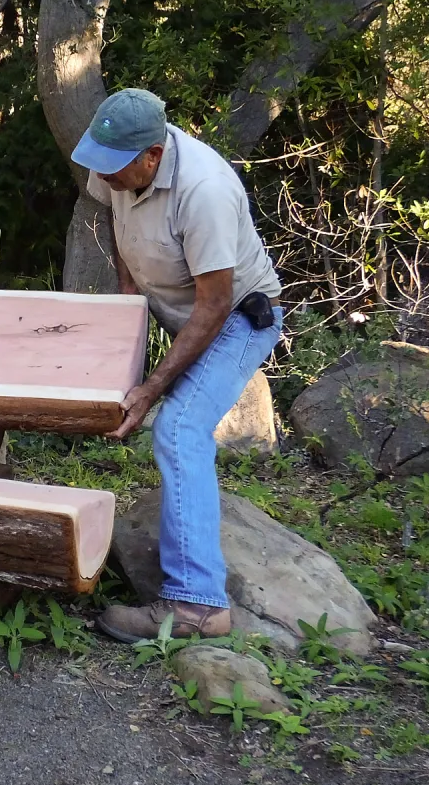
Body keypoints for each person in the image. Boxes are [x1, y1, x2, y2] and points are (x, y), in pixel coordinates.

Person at [71, 89, 284, 643]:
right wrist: (126, 297)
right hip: (176, 307)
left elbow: (214, 306)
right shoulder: (115, 162)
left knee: (180, 427)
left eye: (115, 170)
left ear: (153, 157)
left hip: (238, 316)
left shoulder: (204, 191)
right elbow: (116, 223)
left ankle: (198, 605)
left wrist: (151, 387)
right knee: (174, 426)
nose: (105, 178)